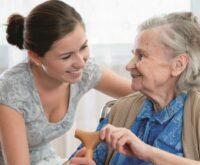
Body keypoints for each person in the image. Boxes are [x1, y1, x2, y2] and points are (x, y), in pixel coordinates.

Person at [0, 0, 133, 164]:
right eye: (66, 56)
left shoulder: (86, 71)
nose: (81, 62)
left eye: (83, 47)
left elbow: (142, 92)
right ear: (35, 57)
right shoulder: (10, 90)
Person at [69, 12, 200, 165]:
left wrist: (148, 152)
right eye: (133, 55)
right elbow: (79, 159)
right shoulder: (122, 109)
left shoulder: (195, 112)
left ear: (178, 65)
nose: (129, 65)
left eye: (141, 56)